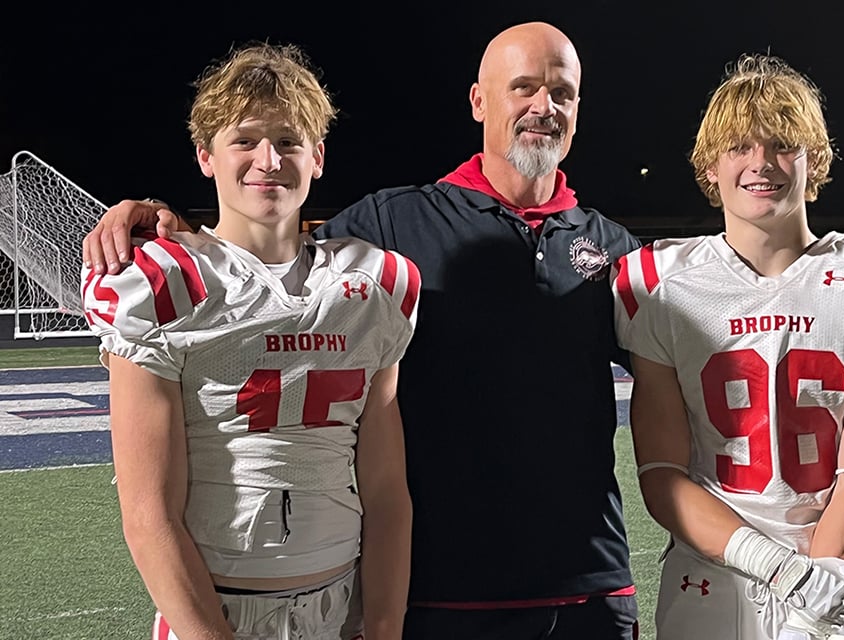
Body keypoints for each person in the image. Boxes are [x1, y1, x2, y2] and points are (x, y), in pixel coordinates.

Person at [81, 22, 641, 640]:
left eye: (561, 92)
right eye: (524, 87)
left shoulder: (611, 247)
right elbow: (262, 247)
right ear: (481, 101)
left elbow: (695, 352)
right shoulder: (394, 222)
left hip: (589, 582)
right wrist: (158, 220)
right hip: (438, 587)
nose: (543, 106)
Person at [81, 43, 418, 640]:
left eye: (289, 141)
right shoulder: (162, 282)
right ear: (205, 157)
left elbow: (387, 489)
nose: (269, 158)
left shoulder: (375, 284)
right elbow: (147, 514)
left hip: (343, 608)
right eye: (245, 140)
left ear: (317, 156)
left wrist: (385, 627)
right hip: (217, 611)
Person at [612, 54, 844, 640]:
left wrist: (815, 587)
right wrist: (775, 568)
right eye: (739, 145)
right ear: (710, 167)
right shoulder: (660, 284)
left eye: (782, 143)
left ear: (814, 157)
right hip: (712, 572)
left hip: (836, 577)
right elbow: (662, 473)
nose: (760, 163)